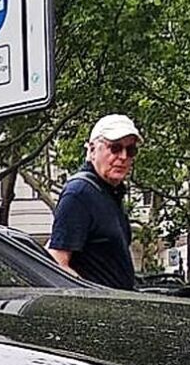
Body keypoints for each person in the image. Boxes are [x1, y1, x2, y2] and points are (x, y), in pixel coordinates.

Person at [47, 115, 139, 290]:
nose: (123, 157)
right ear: (92, 150)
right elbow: (57, 263)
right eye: (115, 148)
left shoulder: (110, 192)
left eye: (131, 150)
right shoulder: (79, 193)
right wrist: (95, 299)